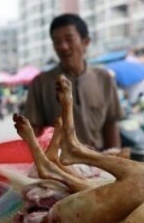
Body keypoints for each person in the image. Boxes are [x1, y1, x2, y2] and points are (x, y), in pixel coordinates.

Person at [24, 13, 122, 150]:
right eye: (57, 42)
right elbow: (34, 133)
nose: (63, 46)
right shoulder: (40, 83)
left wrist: (113, 160)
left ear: (85, 42)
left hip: (99, 162)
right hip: (59, 165)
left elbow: (111, 125)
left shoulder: (104, 79)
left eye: (69, 39)